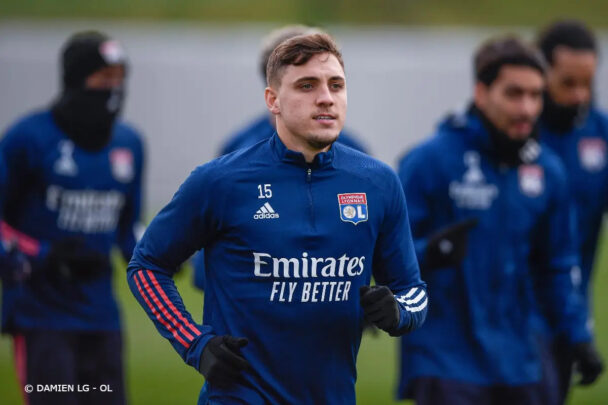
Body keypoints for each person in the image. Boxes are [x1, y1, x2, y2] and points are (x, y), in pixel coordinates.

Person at [128, 32, 427, 404]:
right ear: (273, 100)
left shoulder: (378, 182)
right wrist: (195, 343)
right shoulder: (219, 181)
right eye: (307, 85)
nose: (326, 97)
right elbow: (146, 265)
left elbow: (413, 292)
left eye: (336, 85)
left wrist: (397, 311)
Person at [396, 36, 599, 405]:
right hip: (446, 359)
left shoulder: (547, 171)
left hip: (522, 358)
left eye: (536, 95)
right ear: (481, 91)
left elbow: (557, 265)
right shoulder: (428, 162)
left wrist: (577, 336)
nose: (527, 108)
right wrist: (430, 252)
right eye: (514, 94)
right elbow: (388, 254)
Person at [0, 31, 145, 405]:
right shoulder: (27, 140)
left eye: (119, 77)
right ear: (76, 79)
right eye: (103, 78)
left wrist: (164, 254)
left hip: (102, 318)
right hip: (41, 317)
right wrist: (44, 254)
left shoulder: (129, 144)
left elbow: (128, 230)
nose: (113, 88)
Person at [192, 25, 369, 291]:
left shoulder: (356, 155)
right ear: (272, 85)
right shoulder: (238, 151)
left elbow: (375, 246)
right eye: (306, 83)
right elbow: (200, 250)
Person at [535, 20, 606, 403]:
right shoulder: (514, 131)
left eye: (587, 84)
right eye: (568, 84)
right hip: (509, 311)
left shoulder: (601, 134)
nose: (580, 95)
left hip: (568, 310)